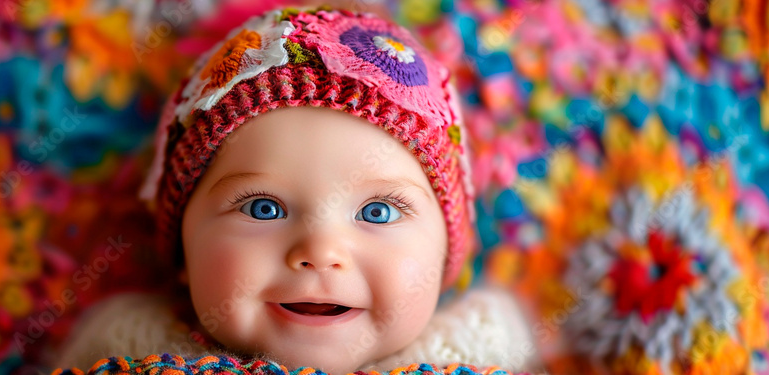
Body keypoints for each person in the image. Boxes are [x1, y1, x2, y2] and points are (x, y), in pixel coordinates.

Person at [55, 7, 535, 374]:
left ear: (448, 254)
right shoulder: (123, 344)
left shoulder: (490, 348)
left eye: (378, 213)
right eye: (264, 209)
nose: (320, 252)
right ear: (183, 249)